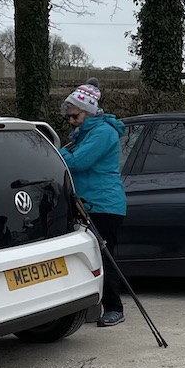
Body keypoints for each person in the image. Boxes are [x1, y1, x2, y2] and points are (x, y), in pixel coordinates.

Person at [58, 78, 127, 327]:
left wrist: (57, 151)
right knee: (88, 258)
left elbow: (78, 163)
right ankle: (91, 305)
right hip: (87, 203)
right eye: (70, 117)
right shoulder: (84, 134)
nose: (71, 121)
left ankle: (114, 307)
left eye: (74, 116)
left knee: (104, 257)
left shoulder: (103, 133)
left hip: (104, 205)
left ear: (87, 112)